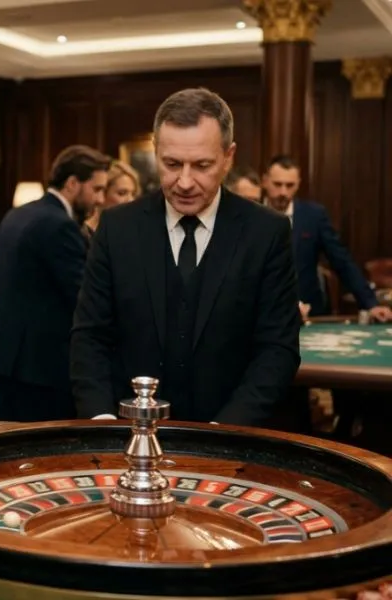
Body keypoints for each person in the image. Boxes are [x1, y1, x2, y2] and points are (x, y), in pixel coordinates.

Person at [71, 88, 301, 427]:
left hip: (230, 434)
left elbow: (277, 349)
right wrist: (103, 422)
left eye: (202, 165)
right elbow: (90, 336)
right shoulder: (117, 227)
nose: (185, 182)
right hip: (128, 434)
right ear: (156, 153)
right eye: (172, 164)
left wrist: (225, 432)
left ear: (228, 157)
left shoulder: (267, 232)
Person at [0, 145, 108, 422]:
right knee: (39, 440)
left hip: (2, 352)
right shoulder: (60, 225)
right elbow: (83, 299)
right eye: (96, 189)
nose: (100, 199)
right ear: (72, 184)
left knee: (9, 434)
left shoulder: (17, 214)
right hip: (37, 363)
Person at [262, 155, 391, 322]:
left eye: (290, 185)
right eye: (277, 184)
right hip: (260, 314)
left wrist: (370, 304)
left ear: (299, 183)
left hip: (309, 314)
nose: (283, 192)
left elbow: (342, 261)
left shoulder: (313, 216)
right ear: (265, 181)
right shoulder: (250, 214)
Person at [84, 160, 141, 236]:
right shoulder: (83, 234)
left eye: (133, 194)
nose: (131, 200)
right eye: (122, 193)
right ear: (103, 194)